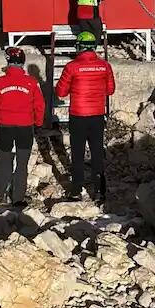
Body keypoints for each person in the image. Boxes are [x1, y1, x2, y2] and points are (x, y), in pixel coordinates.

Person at [54, 31, 115, 203]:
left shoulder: (71, 67)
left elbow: (61, 92)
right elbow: (110, 90)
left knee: (77, 153)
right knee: (97, 152)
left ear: (79, 46)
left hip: (78, 115)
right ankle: (100, 191)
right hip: (97, 115)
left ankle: (76, 191)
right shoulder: (104, 66)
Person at [0, 47, 45, 207]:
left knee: (4, 159)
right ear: (23, 62)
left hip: (5, 125)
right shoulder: (31, 82)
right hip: (25, 126)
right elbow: (39, 105)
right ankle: (18, 197)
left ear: (8, 62)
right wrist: (38, 124)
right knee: (22, 162)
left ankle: (1, 194)